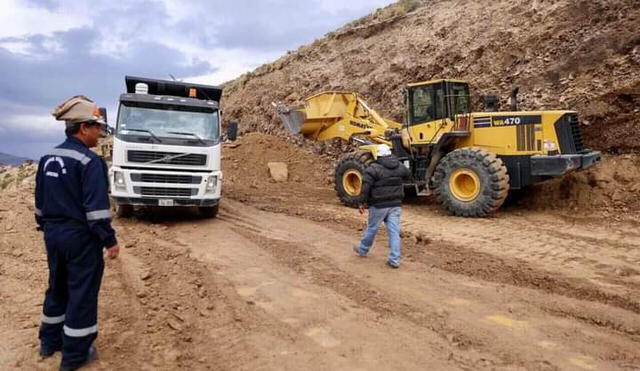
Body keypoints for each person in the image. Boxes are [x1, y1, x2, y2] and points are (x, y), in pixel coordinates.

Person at [35, 95, 119, 371]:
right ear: (83, 128)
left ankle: (49, 342)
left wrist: (49, 229)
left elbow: (40, 204)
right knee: (82, 294)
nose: (100, 133)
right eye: (97, 127)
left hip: (53, 235)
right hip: (80, 238)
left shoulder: (48, 158)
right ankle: (75, 355)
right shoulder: (90, 162)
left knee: (57, 286)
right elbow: (96, 213)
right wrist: (109, 241)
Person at [353, 144, 411, 268]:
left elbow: (365, 188)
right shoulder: (399, 167)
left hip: (378, 205)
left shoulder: (373, 169)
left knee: (372, 228)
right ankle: (394, 259)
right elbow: (408, 176)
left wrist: (361, 202)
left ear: (377, 155)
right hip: (395, 204)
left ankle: (363, 249)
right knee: (394, 232)